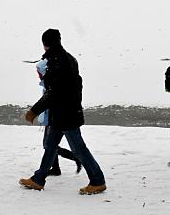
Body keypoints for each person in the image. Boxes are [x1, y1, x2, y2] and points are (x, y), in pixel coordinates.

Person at [19, 29, 106, 195]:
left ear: (45, 44)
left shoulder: (58, 61)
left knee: (79, 148)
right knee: (51, 146)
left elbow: (53, 92)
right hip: (64, 113)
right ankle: (38, 179)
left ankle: (98, 180)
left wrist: (34, 111)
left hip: (66, 114)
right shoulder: (67, 58)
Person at [34, 59, 82, 176]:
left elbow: (52, 101)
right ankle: (55, 169)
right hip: (49, 118)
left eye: (39, 72)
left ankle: (74, 157)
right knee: (49, 144)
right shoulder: (47, 82)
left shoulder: (52, 82)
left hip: (54, 118)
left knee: (48, 144)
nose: (38, 74)